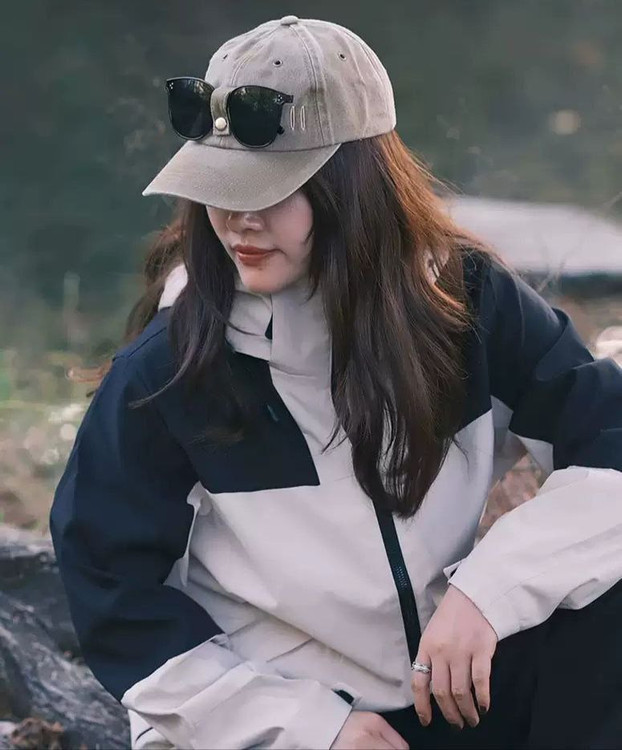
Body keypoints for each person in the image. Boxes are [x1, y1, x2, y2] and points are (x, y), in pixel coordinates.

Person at [49, 15, 622, 750]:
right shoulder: (168, 372)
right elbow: (111, 594)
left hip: (449, 689)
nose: (238, 220)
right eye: (218, 187)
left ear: (356, 188)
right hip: (280, 721)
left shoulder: (466, 304)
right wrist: (309, 726)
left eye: (271, 190)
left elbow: (609, 444)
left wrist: (491, 590)